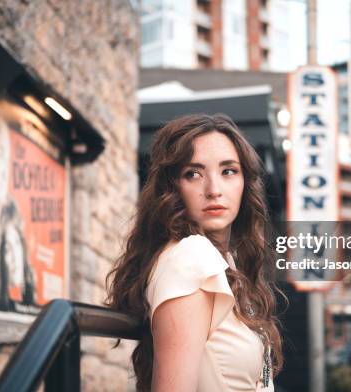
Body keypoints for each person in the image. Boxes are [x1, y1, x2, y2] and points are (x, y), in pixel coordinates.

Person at [106, 114, 283, 391]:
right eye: (193, 174)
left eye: (228, 171)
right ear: (172, 187)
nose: (213, 190)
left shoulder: (225, 262)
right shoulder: (191, 259)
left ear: (244, 183)